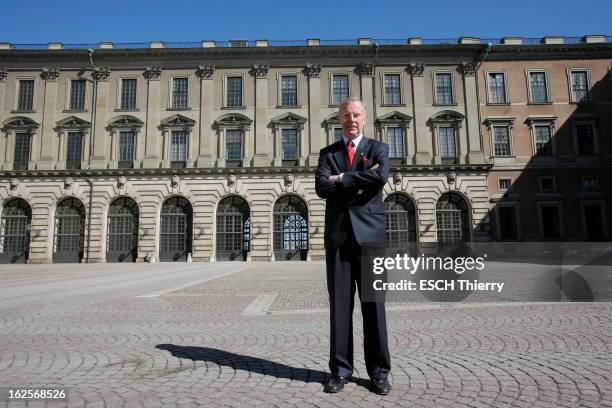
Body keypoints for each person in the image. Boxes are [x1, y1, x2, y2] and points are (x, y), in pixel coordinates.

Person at [315, 98, 391, 394]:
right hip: (338, 239)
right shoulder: (327, 153)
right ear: (339, 119)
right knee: (340, 308)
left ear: (365, 117)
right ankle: (340, 370)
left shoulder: (378, 149)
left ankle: (379, 371)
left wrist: (342, 177)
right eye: (346, 115)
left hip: (370, 238)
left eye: (356, 115)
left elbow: (380, 176)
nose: (351, 120)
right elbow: (322, 187)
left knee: (375, 307)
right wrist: (359, 180)